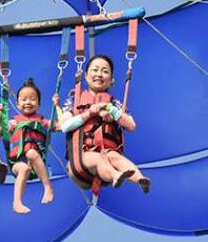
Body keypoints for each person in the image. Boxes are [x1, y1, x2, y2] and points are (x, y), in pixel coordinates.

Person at [57, 55, 150, 193]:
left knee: (115, 157)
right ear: (86, 76)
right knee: (99, 158)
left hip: (107, 153)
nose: (99, 74)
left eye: (105, 71)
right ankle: (116, 175)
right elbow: (65, 126)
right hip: (81, 160)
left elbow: (131, 125)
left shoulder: (114, 103)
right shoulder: (74, 100)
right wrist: (89, 113)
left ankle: (140, 179)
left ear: (111, 80)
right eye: (95, 70)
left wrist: (110, 110)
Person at [0, 78, 55, 214]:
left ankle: (47, 187)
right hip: (17, 163)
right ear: (18, 104)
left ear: (39, 104)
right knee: (23, 168)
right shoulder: (13, 122)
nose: (28, 102)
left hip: (36, 163)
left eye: (32, 99)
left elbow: (62, 126)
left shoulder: (42, 122)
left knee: (31, 153)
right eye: (24, 100)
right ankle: (17, 203)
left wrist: (58, 107)